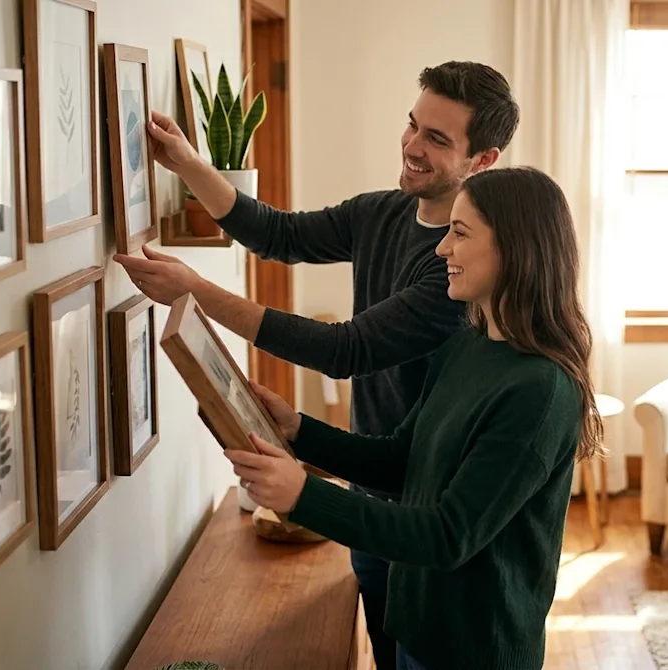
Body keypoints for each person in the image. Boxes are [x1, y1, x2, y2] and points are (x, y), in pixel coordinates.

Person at [113, 61, 521, 670]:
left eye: (437, 139)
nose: (412, 146)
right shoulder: (381, 213)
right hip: (368, 475)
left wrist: (195, 293)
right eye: (413, 125)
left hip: (425, 501)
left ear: (483, 160)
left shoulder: (457, 266)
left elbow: (343, 350)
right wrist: (189, 163)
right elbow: (278, 234)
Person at [224, 166, 606, 670]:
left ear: (516, 249)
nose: (442, 248)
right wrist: (298, 430)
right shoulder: (465, 347)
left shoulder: (541, 391)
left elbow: (448, 535)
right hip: (417, 630)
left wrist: (303, 495)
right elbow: (402, 461)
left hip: (474, 653)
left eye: (460, 233)